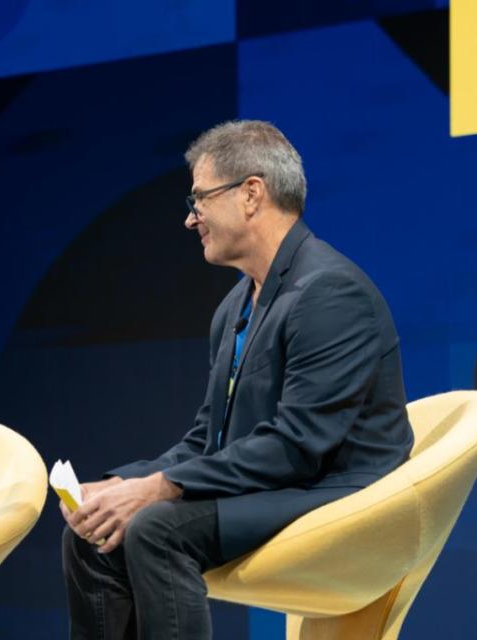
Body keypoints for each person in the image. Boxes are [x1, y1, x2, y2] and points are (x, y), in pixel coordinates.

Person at [61, 120, 414, 640]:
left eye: (199, 198)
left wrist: (159, 490)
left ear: (251, 193)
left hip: (338, 492)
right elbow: (210, 439)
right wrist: (127, 484)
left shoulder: (331, 292)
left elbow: (298, 445)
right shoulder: (235, 305)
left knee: (158, 530)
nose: (189, 219)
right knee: (96, 529)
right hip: (279, 481)